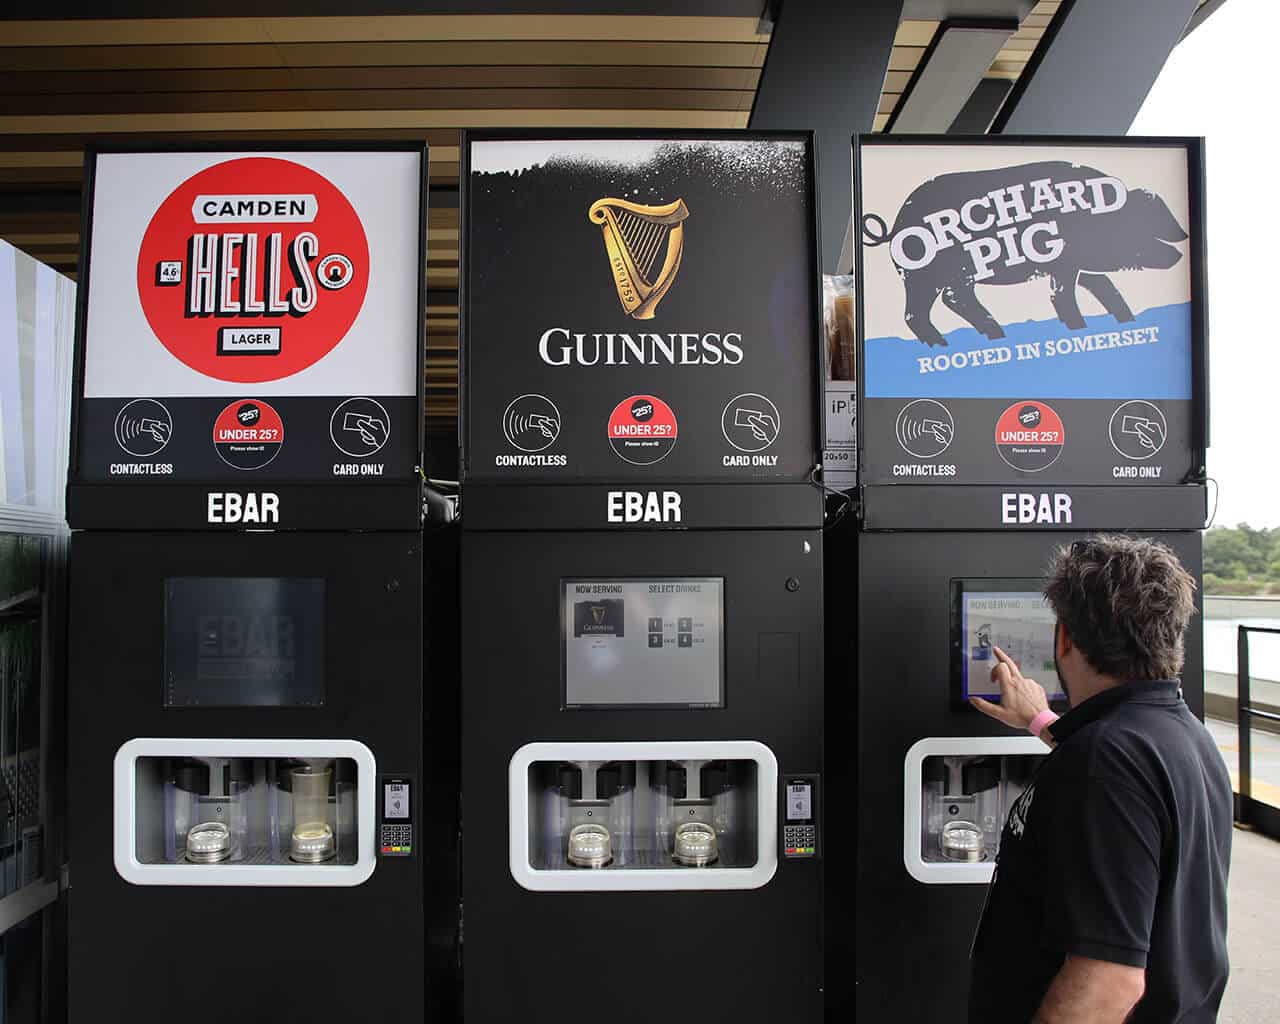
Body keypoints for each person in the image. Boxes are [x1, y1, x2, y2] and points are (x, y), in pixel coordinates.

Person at [968, 535, 1232, 1023]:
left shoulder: (1104, 761)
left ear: (1065, 637)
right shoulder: (1184, 736)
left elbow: (1109, 981)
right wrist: (1041, 723)